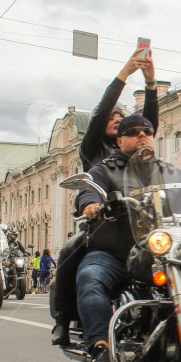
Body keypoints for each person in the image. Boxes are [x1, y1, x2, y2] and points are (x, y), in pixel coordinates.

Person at [50, 48, 157, 345]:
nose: (116, 119)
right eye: (114, 118)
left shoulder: (147, 157)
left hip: (146, 230)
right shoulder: (94, 151)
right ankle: (63, 318)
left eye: (121, 117)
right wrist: (125, 73)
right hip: (103, 223)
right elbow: (99, 116)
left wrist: (150, 83)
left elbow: (148, 122)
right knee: (72, 254)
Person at [75, 115, 181, 362]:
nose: (142, 135)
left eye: (147, 131)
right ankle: (100, 347)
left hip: (166, 253)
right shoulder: (104, 170)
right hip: (116, 252)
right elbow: (89, 191)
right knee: (90, 278)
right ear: (119, 140)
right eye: (134, 132)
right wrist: (91, 204)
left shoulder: (169, 171)